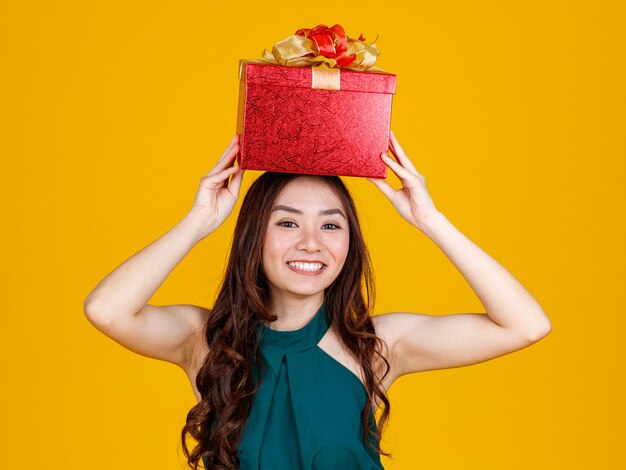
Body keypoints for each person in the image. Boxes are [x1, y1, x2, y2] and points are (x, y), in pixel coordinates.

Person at [84, 132, 552, 470]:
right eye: (287, 223)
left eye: (331, 225)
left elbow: (525, 325)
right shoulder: (204, 340)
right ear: (254, 237)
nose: (311, 242)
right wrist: (199, 220)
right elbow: (106, 309)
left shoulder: (378, 346)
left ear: (349, 243)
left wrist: (429, 219)